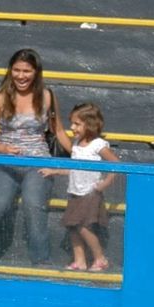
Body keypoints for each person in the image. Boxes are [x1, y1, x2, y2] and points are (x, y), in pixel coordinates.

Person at [0, 48, 61, 269]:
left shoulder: (47, 96)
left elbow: (58, 131)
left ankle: (41, 260)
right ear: (10, 71)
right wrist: (2, 148)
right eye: (17, 70)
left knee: (34, 206)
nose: (21, 76)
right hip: (5, 162)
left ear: (36, 72)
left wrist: (77, 159)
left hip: (38, 162)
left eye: (27, 70)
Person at [50, 102, 116, 273]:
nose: (73, 128)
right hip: (75, 191)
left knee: (83, 226)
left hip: (90, 193)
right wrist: (55, 171)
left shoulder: (98, 145)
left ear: (91, 124)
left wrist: (105, 183)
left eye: (77, 124)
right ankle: (80, 260)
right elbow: (74, 169)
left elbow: (116, 165)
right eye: (72, 123)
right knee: (72, 226)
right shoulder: (77, 143)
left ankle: (100, 258)